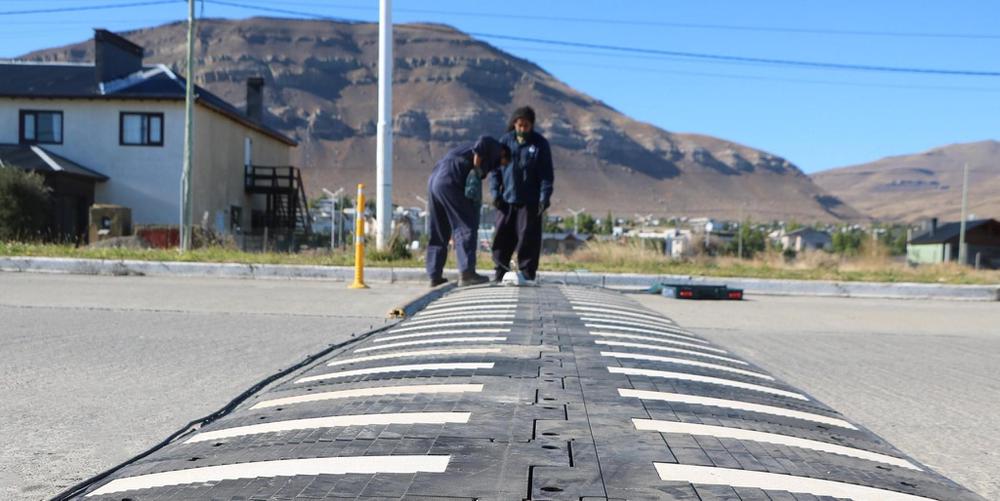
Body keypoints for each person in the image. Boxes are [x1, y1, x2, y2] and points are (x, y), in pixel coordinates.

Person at [426, 136, 510, 287]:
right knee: (466, 225)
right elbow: (482, 142)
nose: (502, 166)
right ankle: (467, 273)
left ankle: (434, 274)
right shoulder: (497, 147)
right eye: (505, 163)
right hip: (451, 178)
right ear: (504, 154)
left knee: (439, 229)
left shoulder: (482, 156)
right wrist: (477, 168)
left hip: (436, 178)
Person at [489, 106, 554, 282]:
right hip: (507, 200)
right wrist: (495, 193)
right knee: (502, 237)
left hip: (530, 202)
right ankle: (500, 271)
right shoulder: (505, 142)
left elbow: (546, 175)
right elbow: (495, 171)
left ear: (532, 125)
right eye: (519, 125)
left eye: (526, 126)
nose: (522, 129)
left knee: (528, 238)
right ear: (514, 124)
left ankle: (527, 273)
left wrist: (544, 198)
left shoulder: (540, 144)